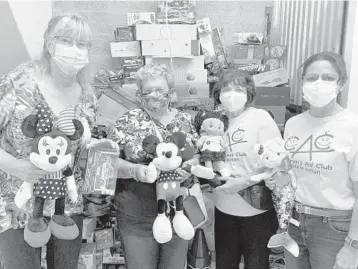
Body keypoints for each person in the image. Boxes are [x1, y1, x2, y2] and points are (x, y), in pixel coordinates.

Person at [0, 14, 97, 269]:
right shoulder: (18, 83)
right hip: (17, 204)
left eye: (82, 44)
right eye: (66, 40)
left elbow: (82, 150)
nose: (75, 50)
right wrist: (14, 166)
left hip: (65, 207)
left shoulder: (86, 95)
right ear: (49, 43)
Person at [268, 51, 358, 269]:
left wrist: (353, 245)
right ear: (303, 83)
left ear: (341, 83)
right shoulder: (293, 124)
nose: (318, 83)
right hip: (294, 221)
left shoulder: (352, 127)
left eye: (327, 77)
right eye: (311, 77)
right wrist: (276, 179)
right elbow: (289, 172)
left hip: (335, 228)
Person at [107, 63, 201, 269]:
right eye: (148, 91)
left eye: (160, 90)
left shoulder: (184, 120)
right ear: (140, 95)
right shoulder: (127, 121)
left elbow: (197, 156)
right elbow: (109, 161)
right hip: (137, 215)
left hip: (178, 212)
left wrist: (189, 167)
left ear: (171, 92)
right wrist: (135, 171)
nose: (154, 95)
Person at [211, 70, 281, 269]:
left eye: (239, 89)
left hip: (256, 210)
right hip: (223, 208)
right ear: (218, 93)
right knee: (225, 263)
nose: (232, 94)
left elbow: (276, 162)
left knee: (257, 263)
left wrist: (244, 182)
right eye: (226, 89)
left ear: (248, 94)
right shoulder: (215, 122)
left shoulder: (260, 118)